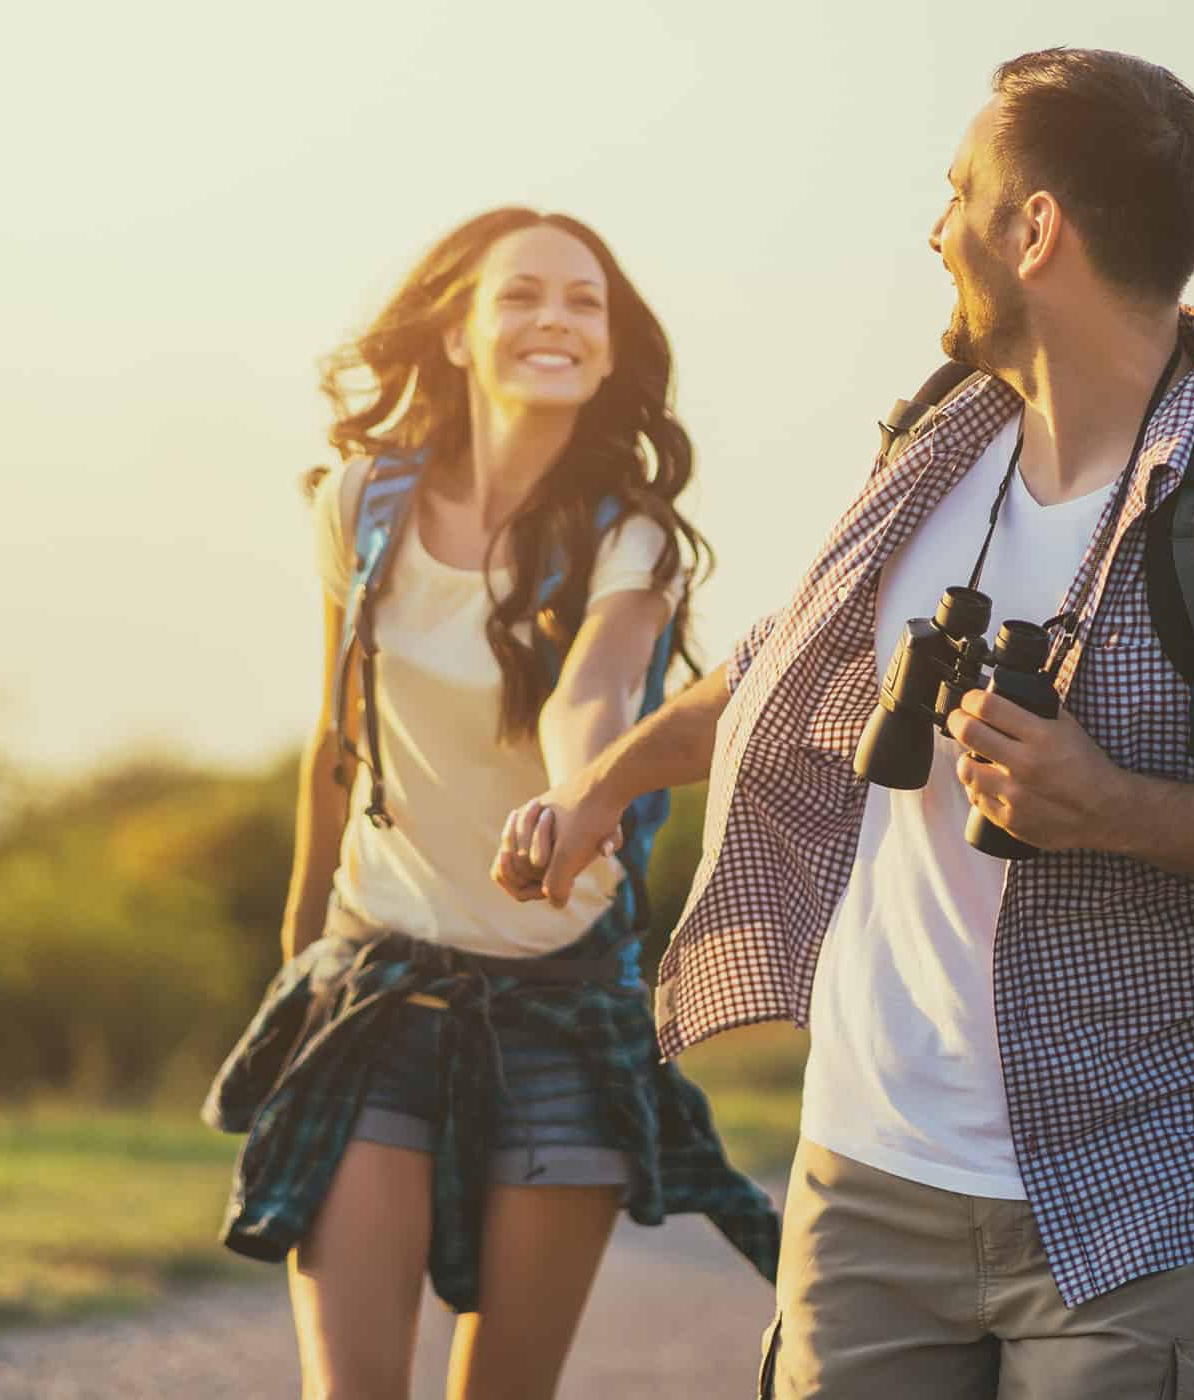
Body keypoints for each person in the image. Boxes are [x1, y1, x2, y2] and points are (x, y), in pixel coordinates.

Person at [494, 50, 1194, 1399]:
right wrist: (601, 788)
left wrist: (1111, 807)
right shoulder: (936, 443)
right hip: (866, 1179)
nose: (933, 227)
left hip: (1136, 1188)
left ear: (1036, 230)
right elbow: (778, 663)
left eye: (959, 189)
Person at [204, 207, 777, 1400]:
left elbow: (598, 687)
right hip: (378, 984)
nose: (554, 319)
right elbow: (335, 738)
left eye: (584, 302)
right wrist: (301, 946)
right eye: (520, 295)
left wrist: (581, 792)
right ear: (459, 333)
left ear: (613, 352)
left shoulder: (633, 537)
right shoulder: (360, 506)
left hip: (561, 1001)